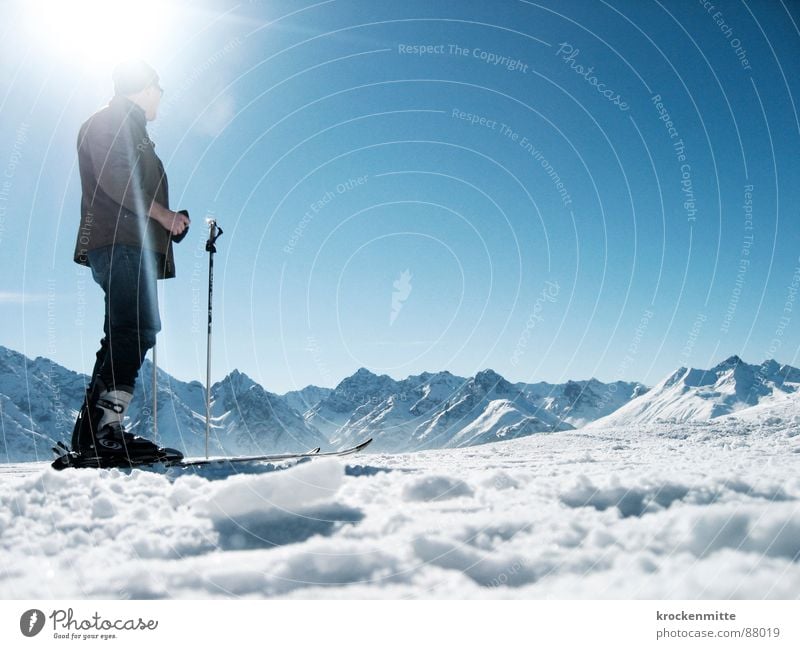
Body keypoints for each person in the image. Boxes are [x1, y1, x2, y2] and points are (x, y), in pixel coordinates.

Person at [70, 60, 190, 465]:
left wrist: (168, 223)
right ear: (142, 87)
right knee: (133, 330)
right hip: (121, 242)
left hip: (124, 242)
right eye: (158, 87)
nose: (161, 95)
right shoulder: (111, 122)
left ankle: (92, 433)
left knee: (128, 330)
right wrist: (163, 216)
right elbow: (118, 179)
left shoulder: (129, 128)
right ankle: (104, 431)